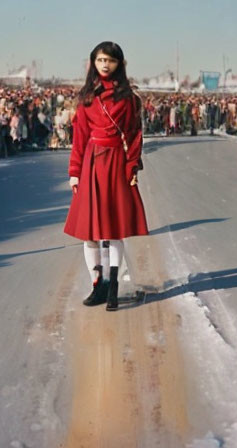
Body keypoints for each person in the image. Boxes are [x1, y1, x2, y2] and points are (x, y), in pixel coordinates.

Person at [64, 41, 148, 312]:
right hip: (90, 163)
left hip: (116, 163)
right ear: (94, 62)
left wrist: (131, 167)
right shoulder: (86, 96)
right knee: (88, 233)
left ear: (119, 64)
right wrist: (75, 171)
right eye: (100, 60)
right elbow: (80, 137)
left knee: (113, 231)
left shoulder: (129, 98)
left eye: (110, 60)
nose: (104, 65)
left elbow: (135, 135)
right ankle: (97, 284)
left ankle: (113, 287)